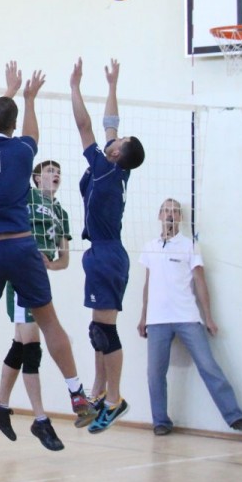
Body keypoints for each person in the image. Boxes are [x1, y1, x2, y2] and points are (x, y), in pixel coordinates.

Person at [0, 61, 95, 442]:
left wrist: (9, 90)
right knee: (49, 321)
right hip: (22, 247)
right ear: (14, 126)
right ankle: (76, 392)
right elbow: (31, 133)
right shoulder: (23, 151)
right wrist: (29, 98)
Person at [69, 57, 145, 434]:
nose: (115, 136)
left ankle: (114, 399)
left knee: (105, 333)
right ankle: (99, 391)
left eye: (119, 140)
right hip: (103, 253)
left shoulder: (104, 167)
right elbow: (110, 123)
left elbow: (85, 126)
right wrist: (113, 85)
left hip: (107, 255)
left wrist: (74, 87)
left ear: (116, 152)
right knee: (97, 330)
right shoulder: (118, 168)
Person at [138, 198, 242, 435]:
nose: (170, 214)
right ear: (159, 216)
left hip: (187, 317)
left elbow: (200, 281)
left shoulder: (190, 245)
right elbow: (148, 284)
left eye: (175, 211)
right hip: (157, 320)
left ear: (180, 217)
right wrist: (143, 317)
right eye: (166, 211)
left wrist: (208, 317)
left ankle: (234, 416)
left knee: (208, 365)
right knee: (154, 373)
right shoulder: (150, 246)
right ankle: (160, 422)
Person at [0, 159, 71, 451]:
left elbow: (64, 260)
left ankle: (0, 405)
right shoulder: (26, 197)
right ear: (37, 178)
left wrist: (51, 264)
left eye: (58, 172)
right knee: (31, 346)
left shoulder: (61, 213)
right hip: (19, 275)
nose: (55, 175)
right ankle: (41, 419)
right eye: (50, 171)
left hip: (40, 279)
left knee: (20, 344)